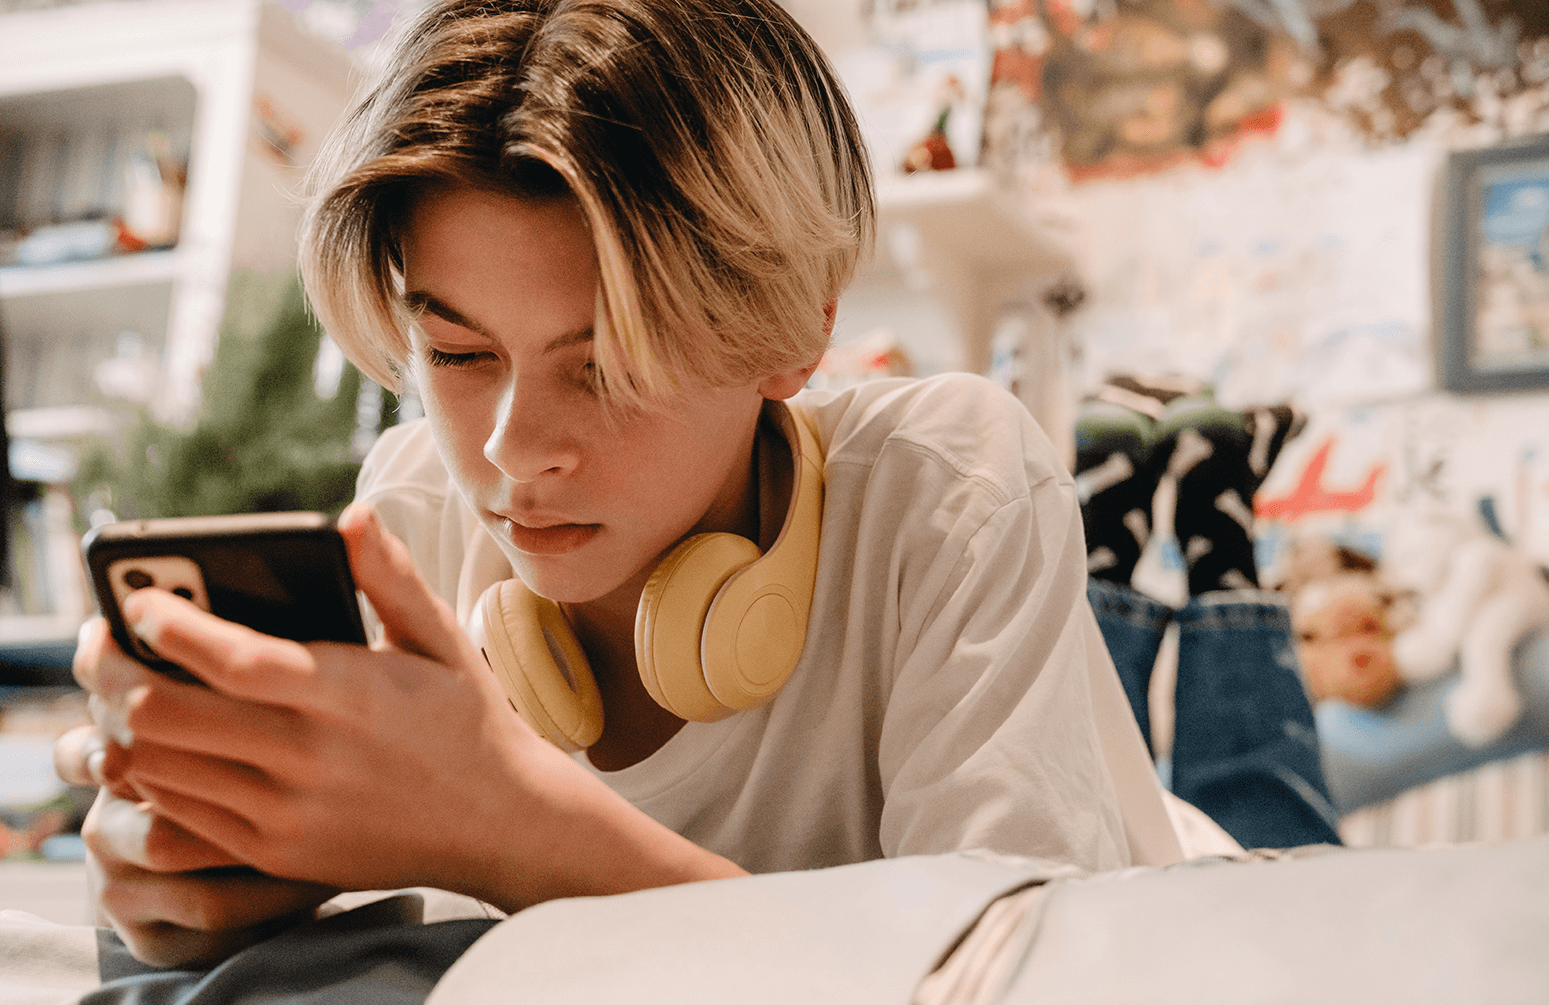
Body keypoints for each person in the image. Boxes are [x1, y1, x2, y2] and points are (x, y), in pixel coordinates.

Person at [54, 0, 1184, 970]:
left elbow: (1001, 980)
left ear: (798, 328)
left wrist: (513, 827)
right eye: (456, 354)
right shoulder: (411, 519)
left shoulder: (948, 484)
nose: (513, 451)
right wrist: (185, 886)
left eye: (607, 366)